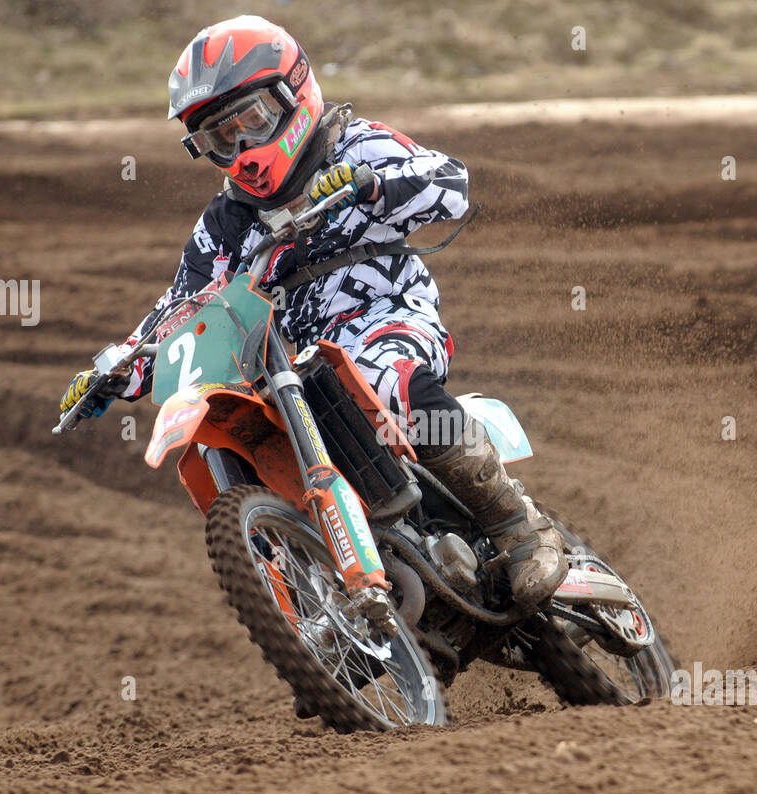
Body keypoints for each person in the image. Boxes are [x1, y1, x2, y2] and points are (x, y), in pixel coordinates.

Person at [59, 15, 565, 608]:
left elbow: (450, 182)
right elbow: (180, 308)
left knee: (388, 380)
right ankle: (315, 622)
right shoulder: (223, 226)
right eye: (223, 140)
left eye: (253, 121)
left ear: (292, 96)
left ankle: (521, 529)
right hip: (291, 364)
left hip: (385, 314)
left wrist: (374, 185)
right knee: (243, 439)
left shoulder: (353, 145)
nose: (244, 149)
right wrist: (120, 366)